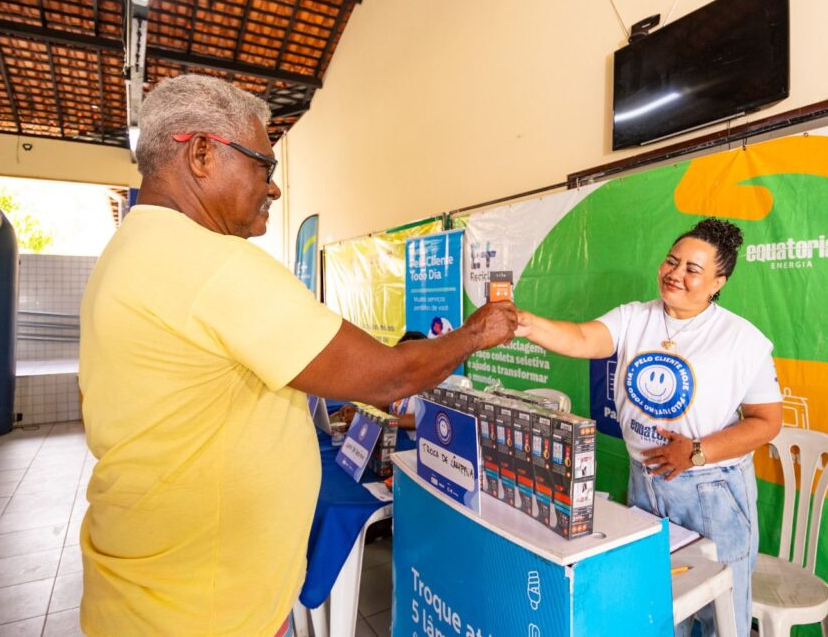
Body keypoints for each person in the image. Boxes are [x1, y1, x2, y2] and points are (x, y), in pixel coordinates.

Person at [78, 74, 518, 637]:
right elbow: (386, 378)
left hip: (149, 593)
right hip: (208, 612)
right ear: (204, 153)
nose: (275, 189)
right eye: (265, 166)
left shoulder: (127, 253)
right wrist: (474, 334)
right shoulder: (211, 264)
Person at [515, 218, 782, 637]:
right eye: (672, 262)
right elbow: (584, 338)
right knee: (655, 605)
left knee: (720, 614)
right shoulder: (636, 318)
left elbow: (767, 423)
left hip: (712, 491)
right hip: (646, 484)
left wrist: (696, 451)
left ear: (718, 281)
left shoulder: (740, 340)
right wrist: (525, 324)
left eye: (693, 269)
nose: (675, 274)